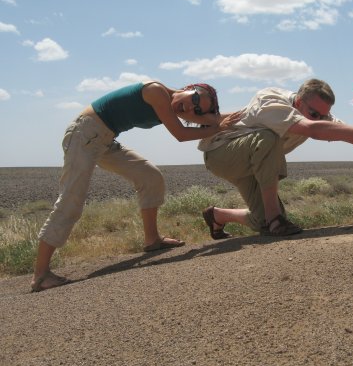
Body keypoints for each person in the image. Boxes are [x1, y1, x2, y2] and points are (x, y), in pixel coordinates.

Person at [31, 81, 240, 292]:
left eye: (197, 109)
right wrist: (217, 128)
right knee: (71, 201)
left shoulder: (177, 106)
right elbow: (181, 134)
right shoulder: (156, 91)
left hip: (104, 140)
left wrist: (253, 113)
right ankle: (41, 275)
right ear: (187, 88)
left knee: (150, 177)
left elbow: (212, 119)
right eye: (193, 99)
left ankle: (152, 240)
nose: (190, 108)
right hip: (85, 134)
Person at [199, 78, 353, 239]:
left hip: (254, 164)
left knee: (260, 221)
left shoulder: (318, 117)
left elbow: (345, 134)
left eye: (323, 116)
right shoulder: (270, 99)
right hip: (222, 153)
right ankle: (274, 219)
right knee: (268, 137)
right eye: (314, 113)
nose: (319, 118)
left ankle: (218, 216)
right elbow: (311, 129)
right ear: (298, 100)